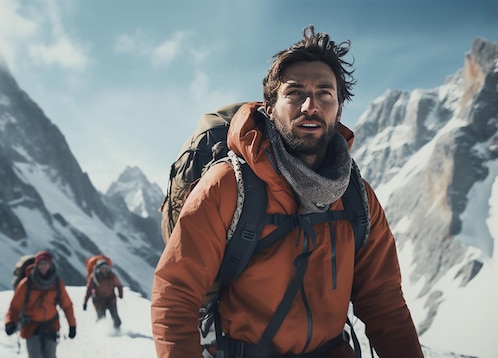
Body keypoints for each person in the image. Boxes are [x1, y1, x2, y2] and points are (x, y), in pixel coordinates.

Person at [151, 25, 424, 358]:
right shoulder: (228, 186)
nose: (310, 105)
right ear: (270, 106)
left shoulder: (357, 197)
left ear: (339, 109)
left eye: (325, 93)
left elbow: (384, 303)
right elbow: (175, 294)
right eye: (295, 93)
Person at [5, 250, 76, 358]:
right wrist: (10, 322)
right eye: (40, 264)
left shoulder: (57, 283)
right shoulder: (26, 284)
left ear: (50, 265)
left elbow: (67, 305)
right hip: (31, 328)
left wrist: (72, 325)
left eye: (45, 263)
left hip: (51, 327)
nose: (43, 266)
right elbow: (15, 306)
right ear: (36, 265)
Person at [83, 259, 124, 329]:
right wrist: (85, 302)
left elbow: (119, 285)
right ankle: (102, 331)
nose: (104, 270)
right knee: (101, 317)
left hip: (111, 299)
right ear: (98, 269)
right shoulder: (94, 277)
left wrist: (120, 294)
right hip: (98, 300)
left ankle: (117, 329)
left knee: (115, 316)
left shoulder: (112, 276)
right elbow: (89, 290)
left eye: (105, 268)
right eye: (102, 268)